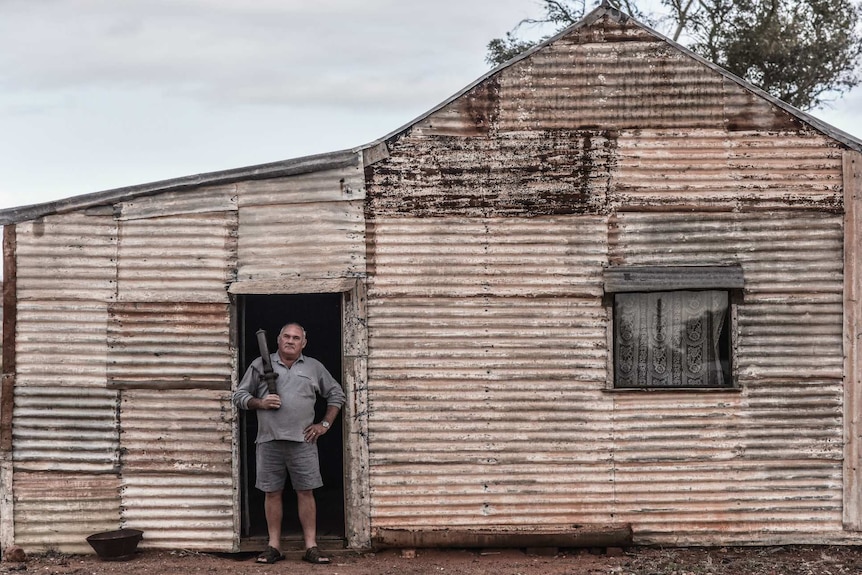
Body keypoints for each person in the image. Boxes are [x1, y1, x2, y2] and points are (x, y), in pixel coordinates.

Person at [233, 322, 345, 565]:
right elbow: (239, 396)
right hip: (268, 440)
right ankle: (274, 546)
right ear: (278, 339)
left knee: (306, 492)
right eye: (287, 336)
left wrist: (324, 425)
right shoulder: (260, 364)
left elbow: (336, 393)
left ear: (303, 343)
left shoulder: (314, 367)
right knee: (272, 493)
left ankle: (311, 546)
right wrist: (260, 403)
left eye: (296, 338)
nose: (291, 341)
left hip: (303, 441)